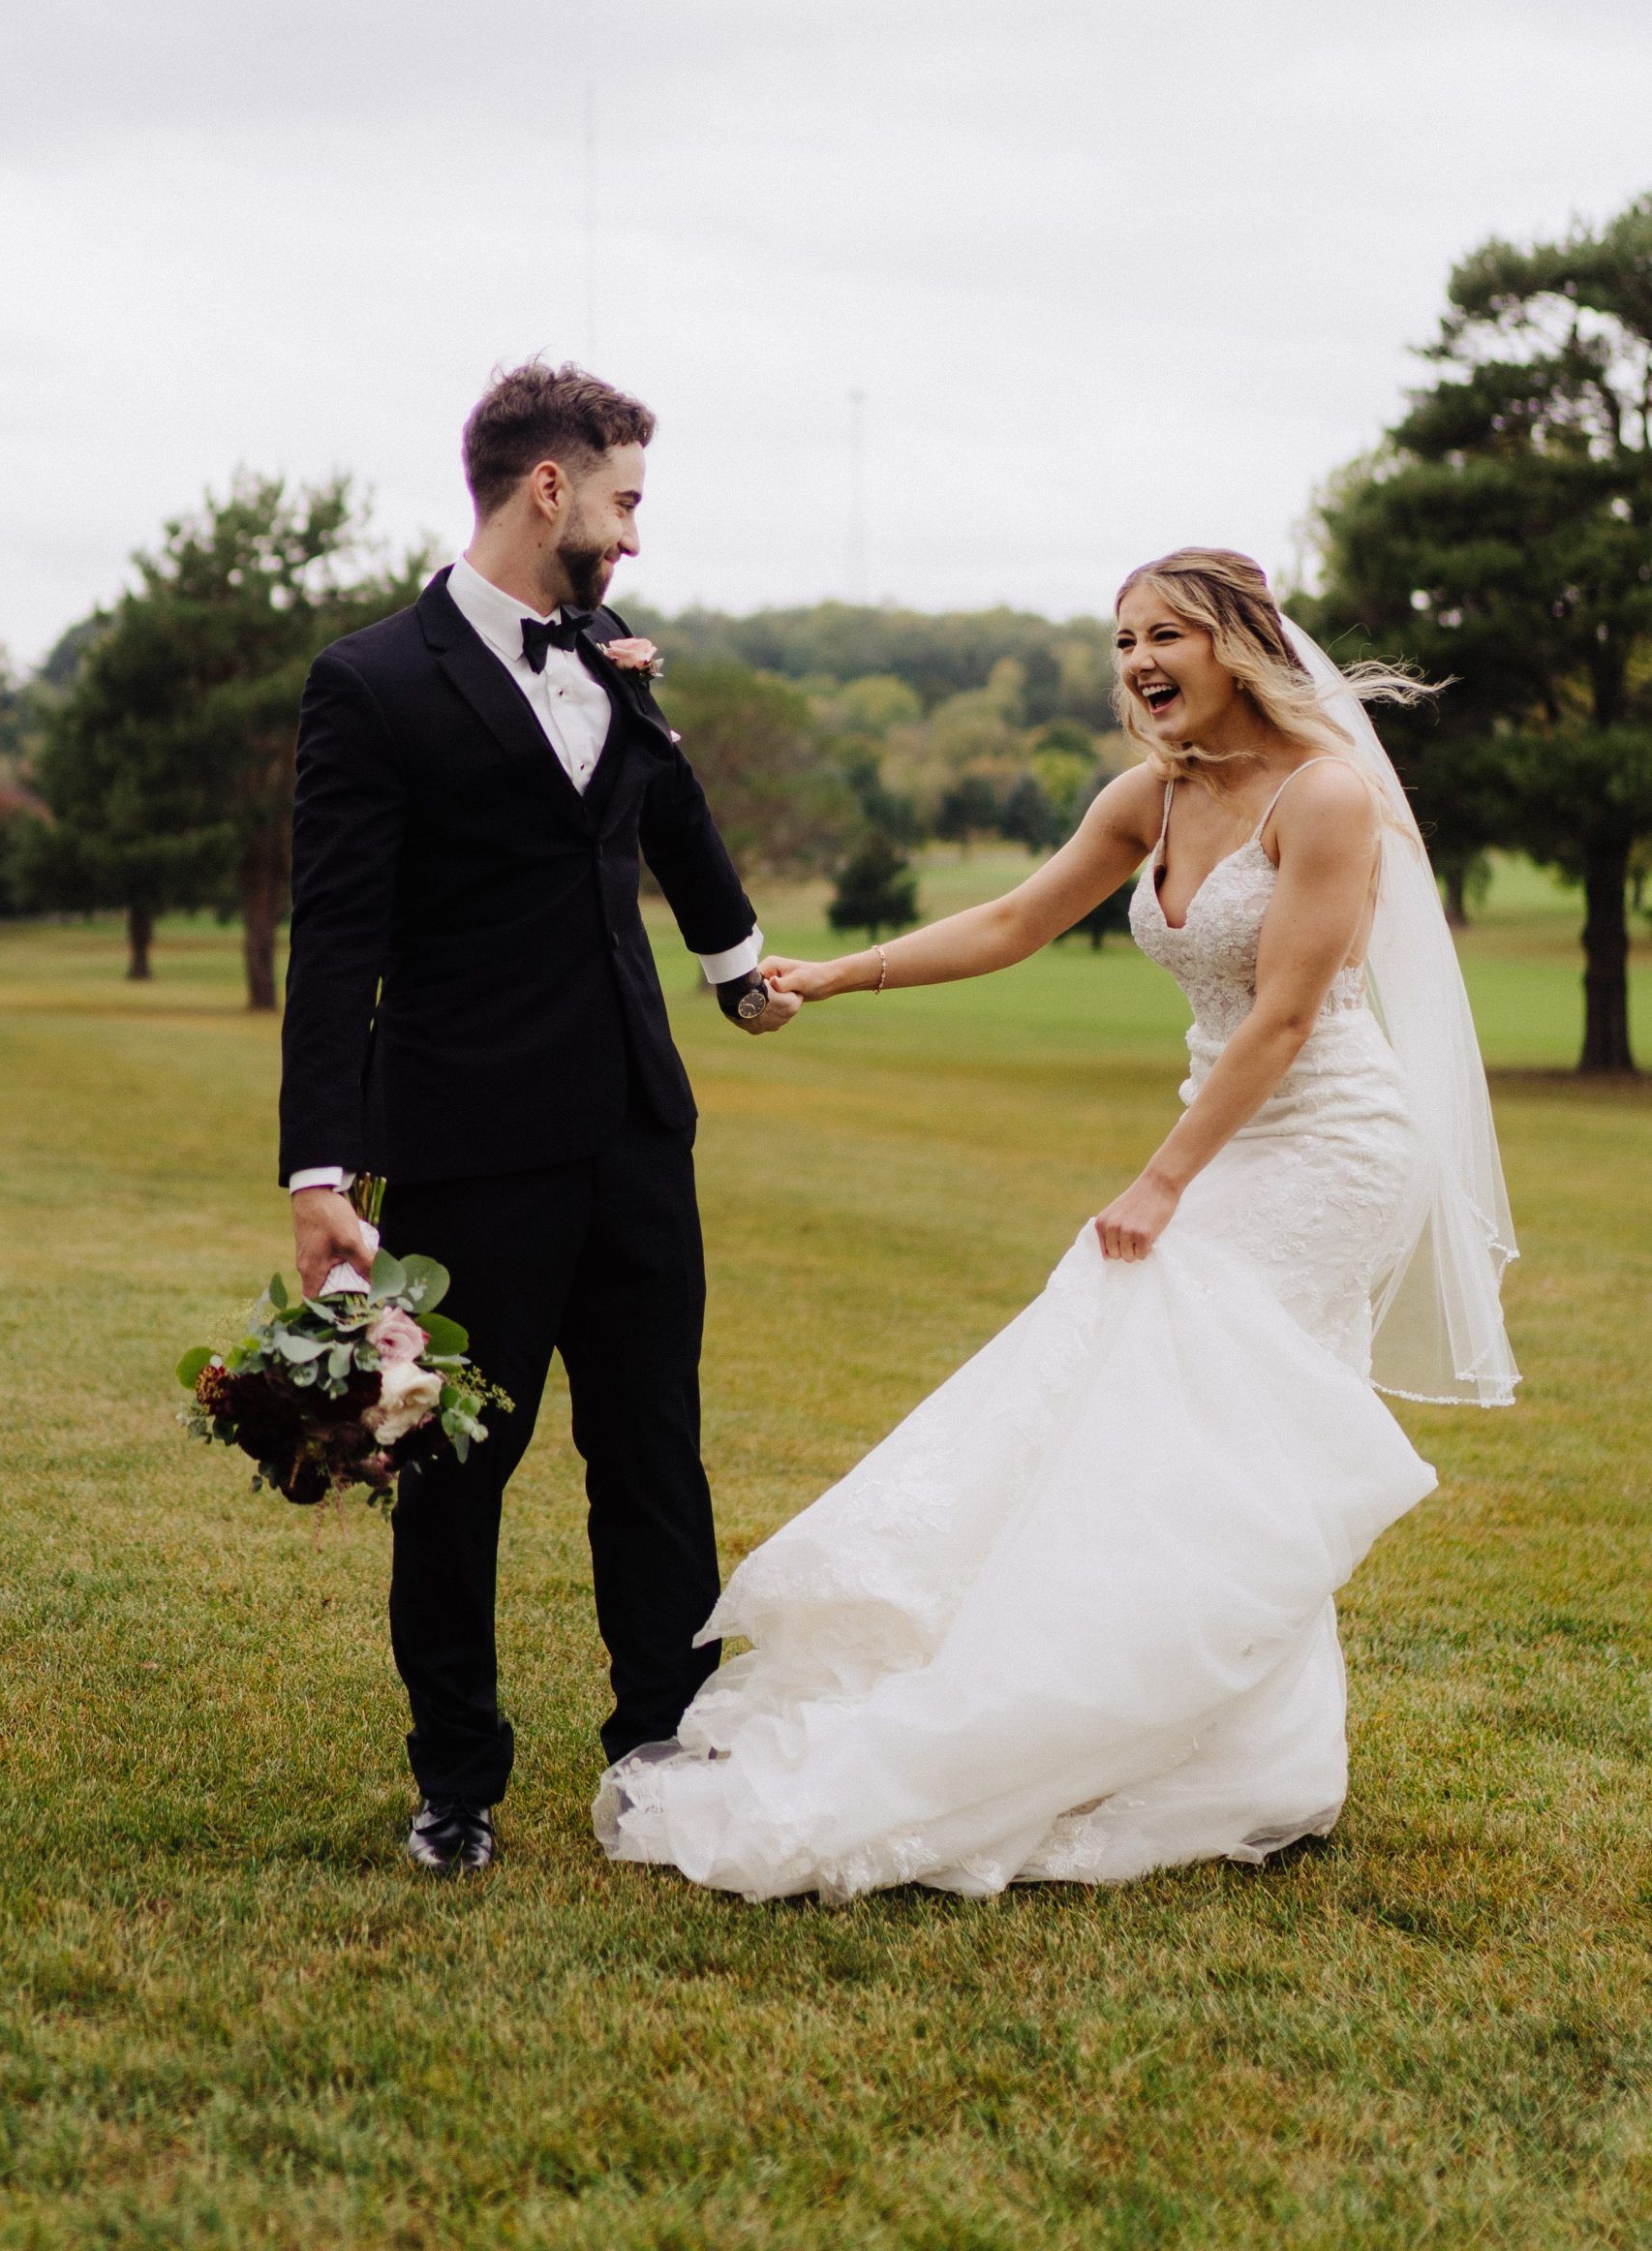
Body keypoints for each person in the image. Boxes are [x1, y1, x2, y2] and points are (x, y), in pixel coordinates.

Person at [595, 547, 1516, 1899]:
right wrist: (842, 973)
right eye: (1121, 640)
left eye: (1167, 636)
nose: (1138, 663)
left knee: (1202, 1420)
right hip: (1225, 1123)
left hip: (1326, 1149)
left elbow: (1281, 1019)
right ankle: (1247, 1756)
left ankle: (1201, 1741)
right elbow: (1022, 917)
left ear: (1241, 642)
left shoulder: (1325, 799)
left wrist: (1161, 1181)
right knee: (1209, 1436)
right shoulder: (1151, 794)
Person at [279, 361, 799, 1874]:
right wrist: (321, 1172)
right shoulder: (369, 682)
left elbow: (667, 824)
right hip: (471, 1143)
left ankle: (660, 1749)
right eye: (626, 499)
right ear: (549, 488)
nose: (636, 533)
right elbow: (339, 942)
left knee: (655, 1455)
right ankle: (457, 1780)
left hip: (638, 1129)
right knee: (456, 1479)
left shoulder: (615, 664)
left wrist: (740, 970)